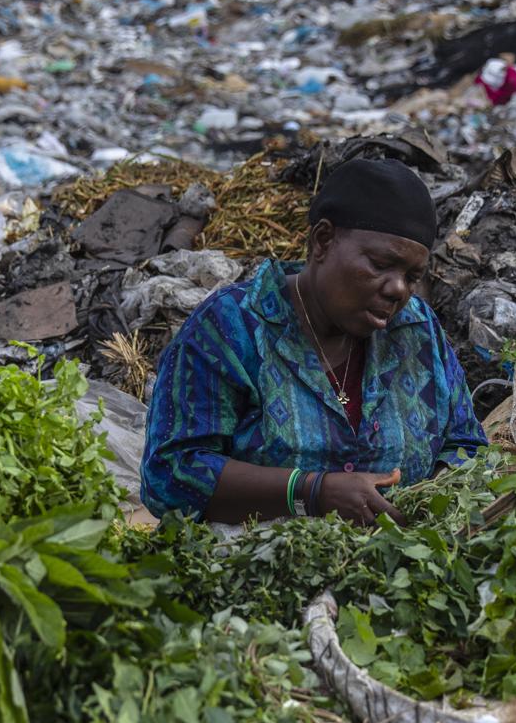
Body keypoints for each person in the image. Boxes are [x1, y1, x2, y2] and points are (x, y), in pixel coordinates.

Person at [141, 159, 487, 526]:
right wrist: (311, 492)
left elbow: (466, 444)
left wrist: (428, 503)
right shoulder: (231, 328)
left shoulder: (417, 331)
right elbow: (170, 474)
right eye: (381, 264)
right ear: (322, 241)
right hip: (255, 571)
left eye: (412, 276)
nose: (398, 289)